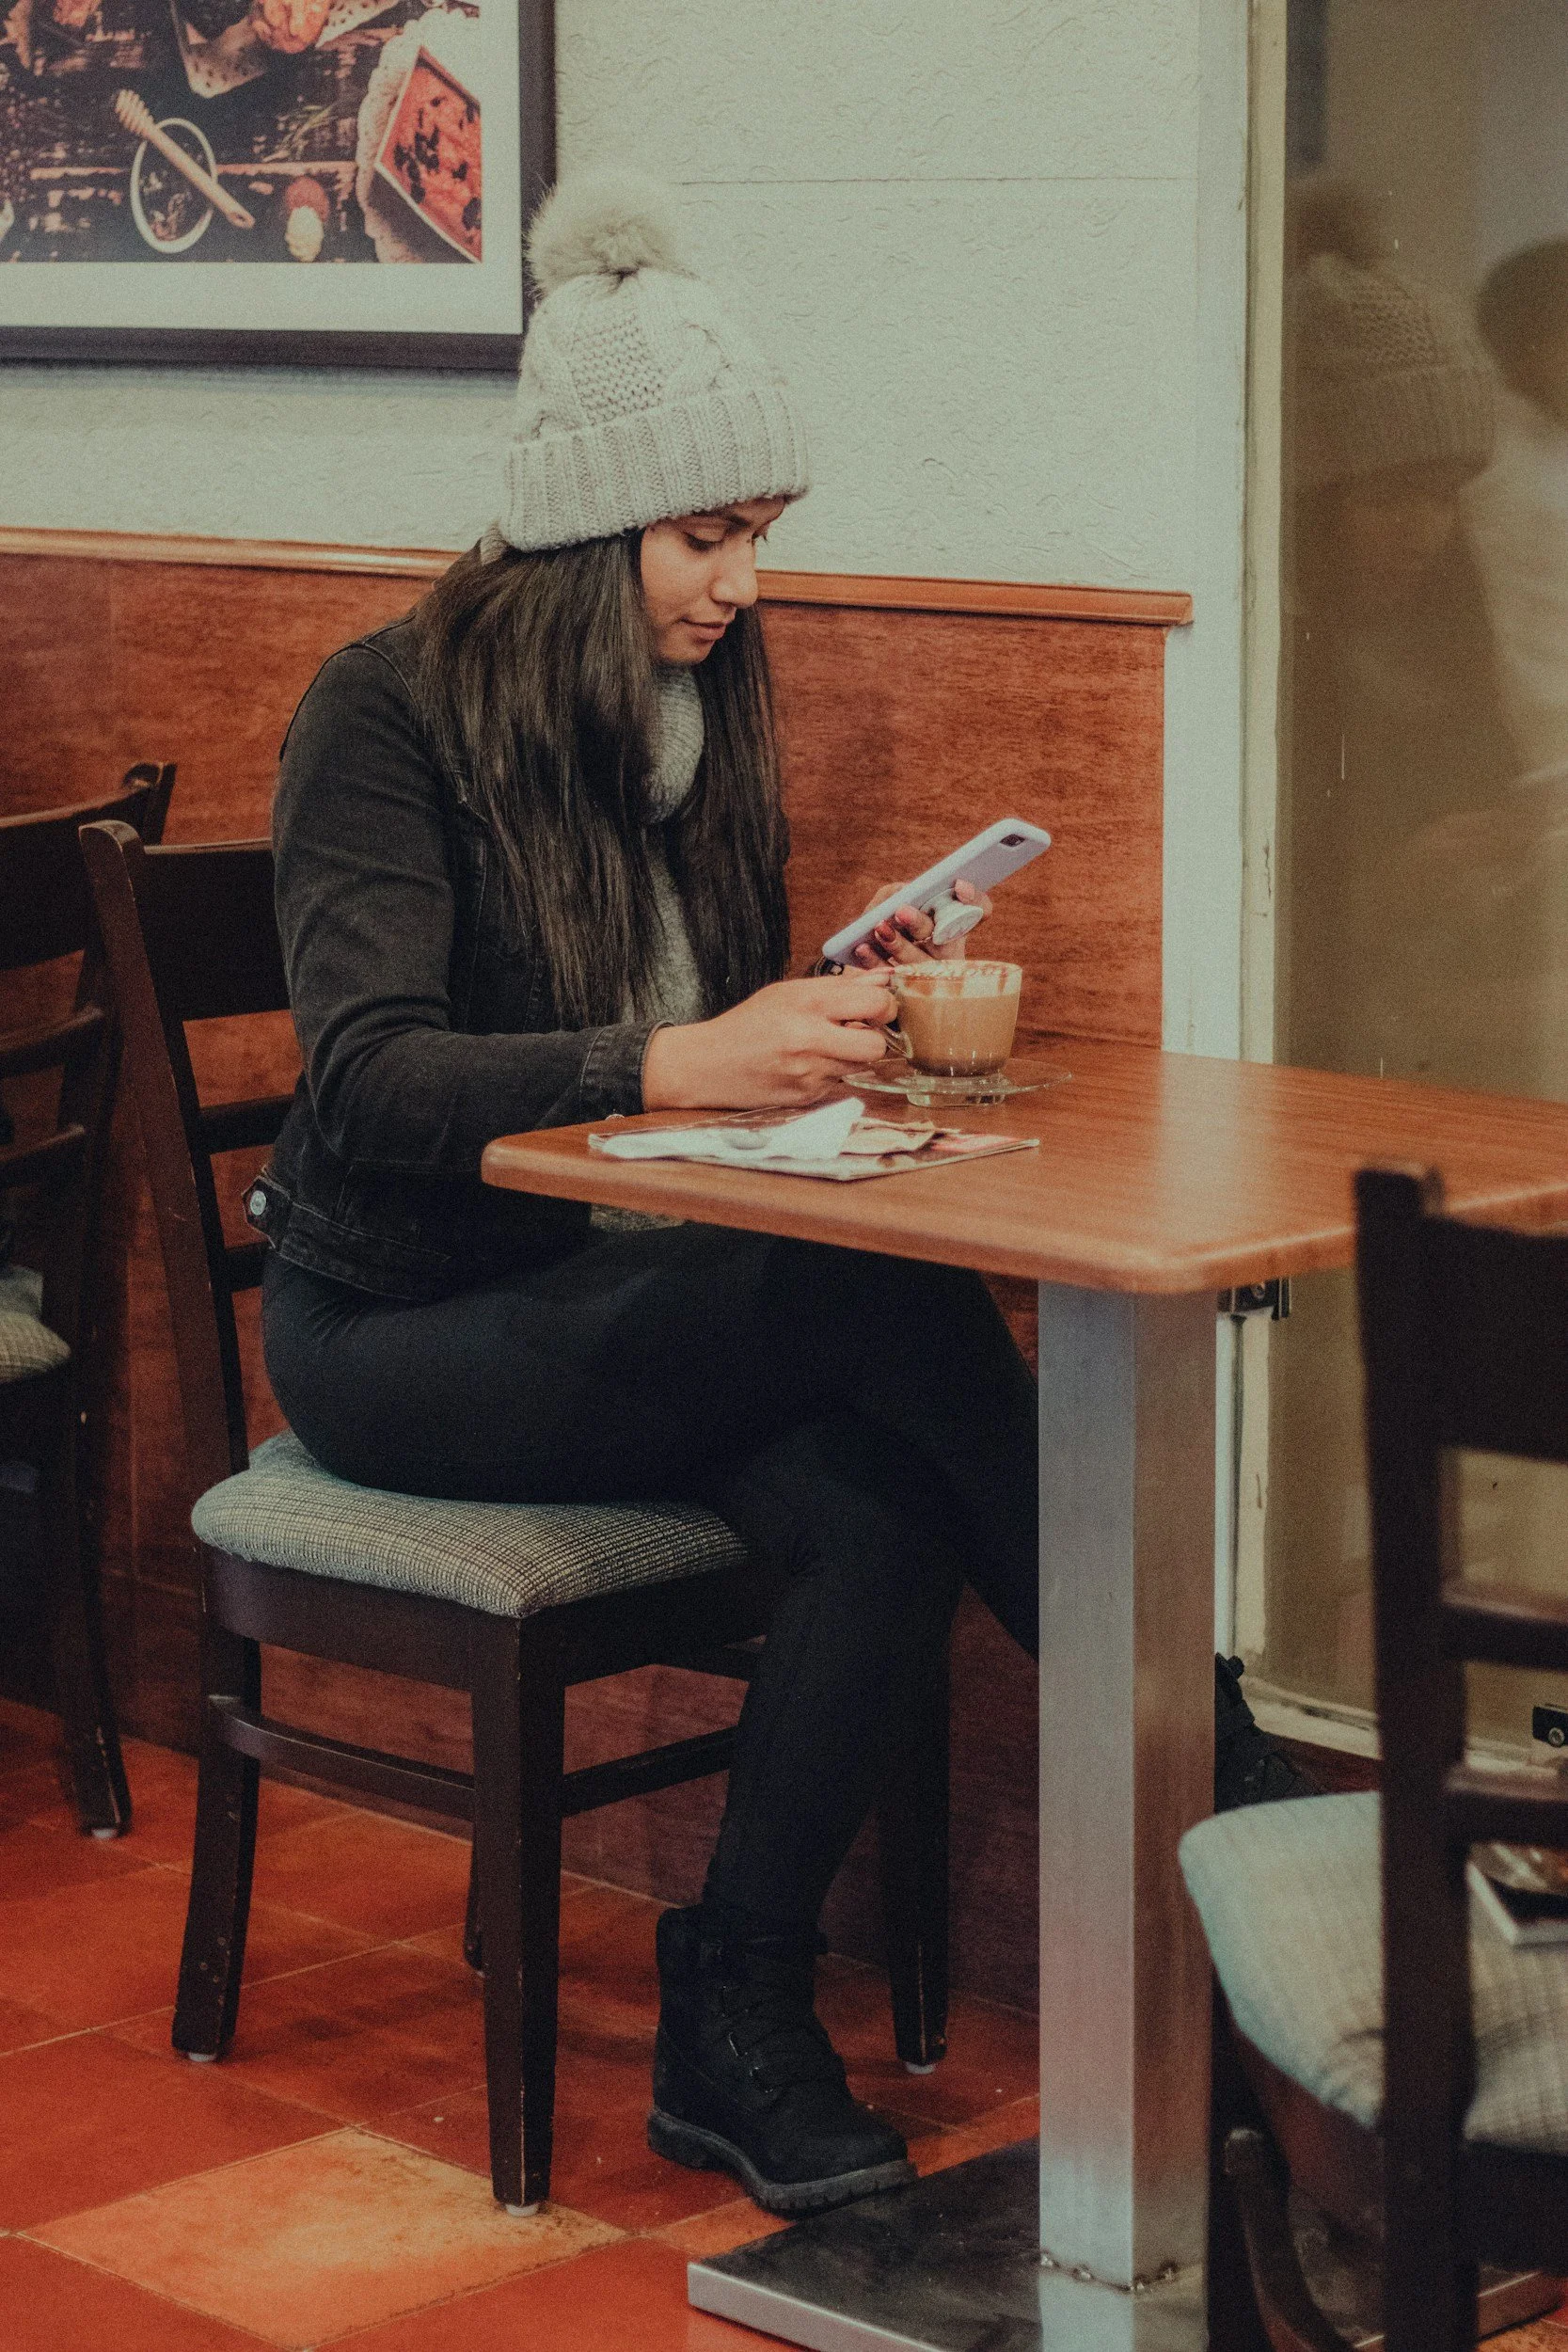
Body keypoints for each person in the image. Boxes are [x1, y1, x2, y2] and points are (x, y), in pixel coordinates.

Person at [251, 167, 1301, 2220]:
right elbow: (364, 1080)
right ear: (582, 524)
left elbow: (680, 1031)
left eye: (758, 533)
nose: (739, 579)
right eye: (704, 531)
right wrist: (674, 1061)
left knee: (879, 1486)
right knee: (888, 1313)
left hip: (628, 1290)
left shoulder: (693, 708)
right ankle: (1240, 1793)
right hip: (396, 1330)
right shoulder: (376, 714)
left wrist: (810, 1010)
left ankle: (731, 2003)